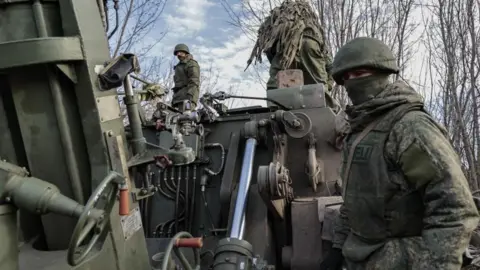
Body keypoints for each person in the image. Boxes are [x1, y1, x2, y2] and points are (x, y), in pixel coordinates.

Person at [320, 37, 479, 270]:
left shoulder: (410, 126)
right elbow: (354, 203)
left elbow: (455, 209)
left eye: (360, 74)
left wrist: (437, 265)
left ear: (382, 72)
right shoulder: (359, 132)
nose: (352, 82)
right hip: (361, 258)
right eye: (346, 78)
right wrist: (336, 249)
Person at [244, 0, 338, 110]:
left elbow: (267, 42)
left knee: (276, 89)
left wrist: (274, 59)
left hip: (284, 46)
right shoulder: (311, 19)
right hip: (310, 42)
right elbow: (330, 64)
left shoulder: (280, 14)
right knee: (320, 90)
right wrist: (327, 85)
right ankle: (331, 116)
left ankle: (275, 114)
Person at [172, 43, 200, 111]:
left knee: (186, 117)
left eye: (180, 52)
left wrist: (190, 95)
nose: (178, 55)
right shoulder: (179, 66)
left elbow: (194, 81)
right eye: (177, 53)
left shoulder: (191, 64)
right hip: (178, 98)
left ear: (185, 52)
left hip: (188, 97)